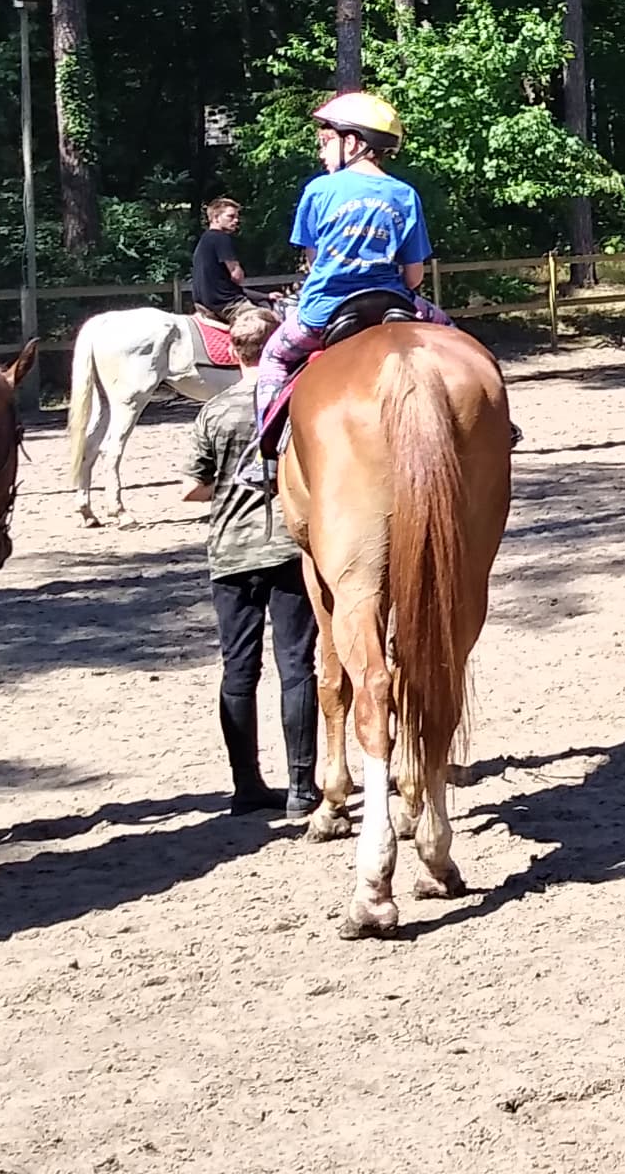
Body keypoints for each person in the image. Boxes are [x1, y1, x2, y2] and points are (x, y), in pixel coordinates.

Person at [184, 318, 319, 818]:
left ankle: (246, 785)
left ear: (233, 352)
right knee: (296, 667)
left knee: (238, 671)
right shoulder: (297, 404)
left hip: (230, 553)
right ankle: (302, 788)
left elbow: (192, 486)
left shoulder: (214, 411)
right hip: (287, 548)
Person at [254, 91, 441, 435]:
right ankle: (496, 422)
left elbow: (314, 261)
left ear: (352, 143)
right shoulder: (405, 195)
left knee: (274, 358)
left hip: (323, 312)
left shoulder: (319, 190)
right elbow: (413, 276)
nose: (321, 152)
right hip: (393, 304)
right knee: (455, 340)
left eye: (326, 141)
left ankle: (261, 451)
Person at [187, 197, 251, 327]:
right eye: (230, 217)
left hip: (204, 304)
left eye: (237, 217)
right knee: (268, 322)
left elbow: (225, 284)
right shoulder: (221, 238)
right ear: (216, 218)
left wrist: (266, 296)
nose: (236, 220)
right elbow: (237, 276)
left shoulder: (205, 240)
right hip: (226, 305)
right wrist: (238, 268)